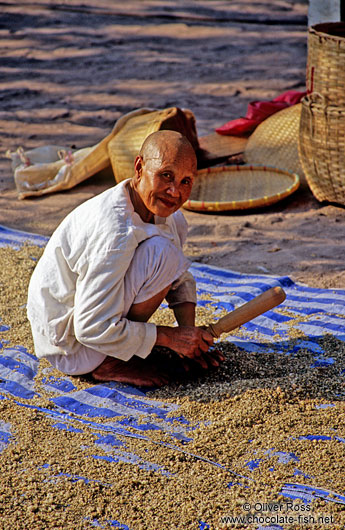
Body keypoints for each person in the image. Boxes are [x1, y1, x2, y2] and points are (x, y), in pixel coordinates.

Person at [27, 130, 223, 387]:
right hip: (71, 347)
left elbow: (178, 277)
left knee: (166, 253)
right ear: (139, 167)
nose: (175, 191)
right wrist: (167, 337)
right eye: (166, 175)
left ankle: (118, 346)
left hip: (89, 326)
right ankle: (109, 360)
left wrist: (190, 341)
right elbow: (89, 329)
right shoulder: (114, 233)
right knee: (161, 253)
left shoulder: (167, 214)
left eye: (186, 181)